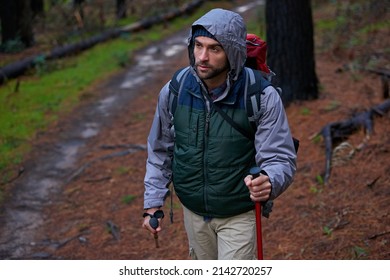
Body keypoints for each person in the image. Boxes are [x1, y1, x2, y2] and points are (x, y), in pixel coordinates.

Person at [142, 8, 296, 260]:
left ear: (233, 53)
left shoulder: (260, 96)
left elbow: (280, 158)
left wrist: (269, 180)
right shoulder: (175, 90)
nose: (202, 57)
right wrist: (153, 201)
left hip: (239, 213)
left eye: (214, 49)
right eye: (198, 46)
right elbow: (160, 150)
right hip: (193, 212)